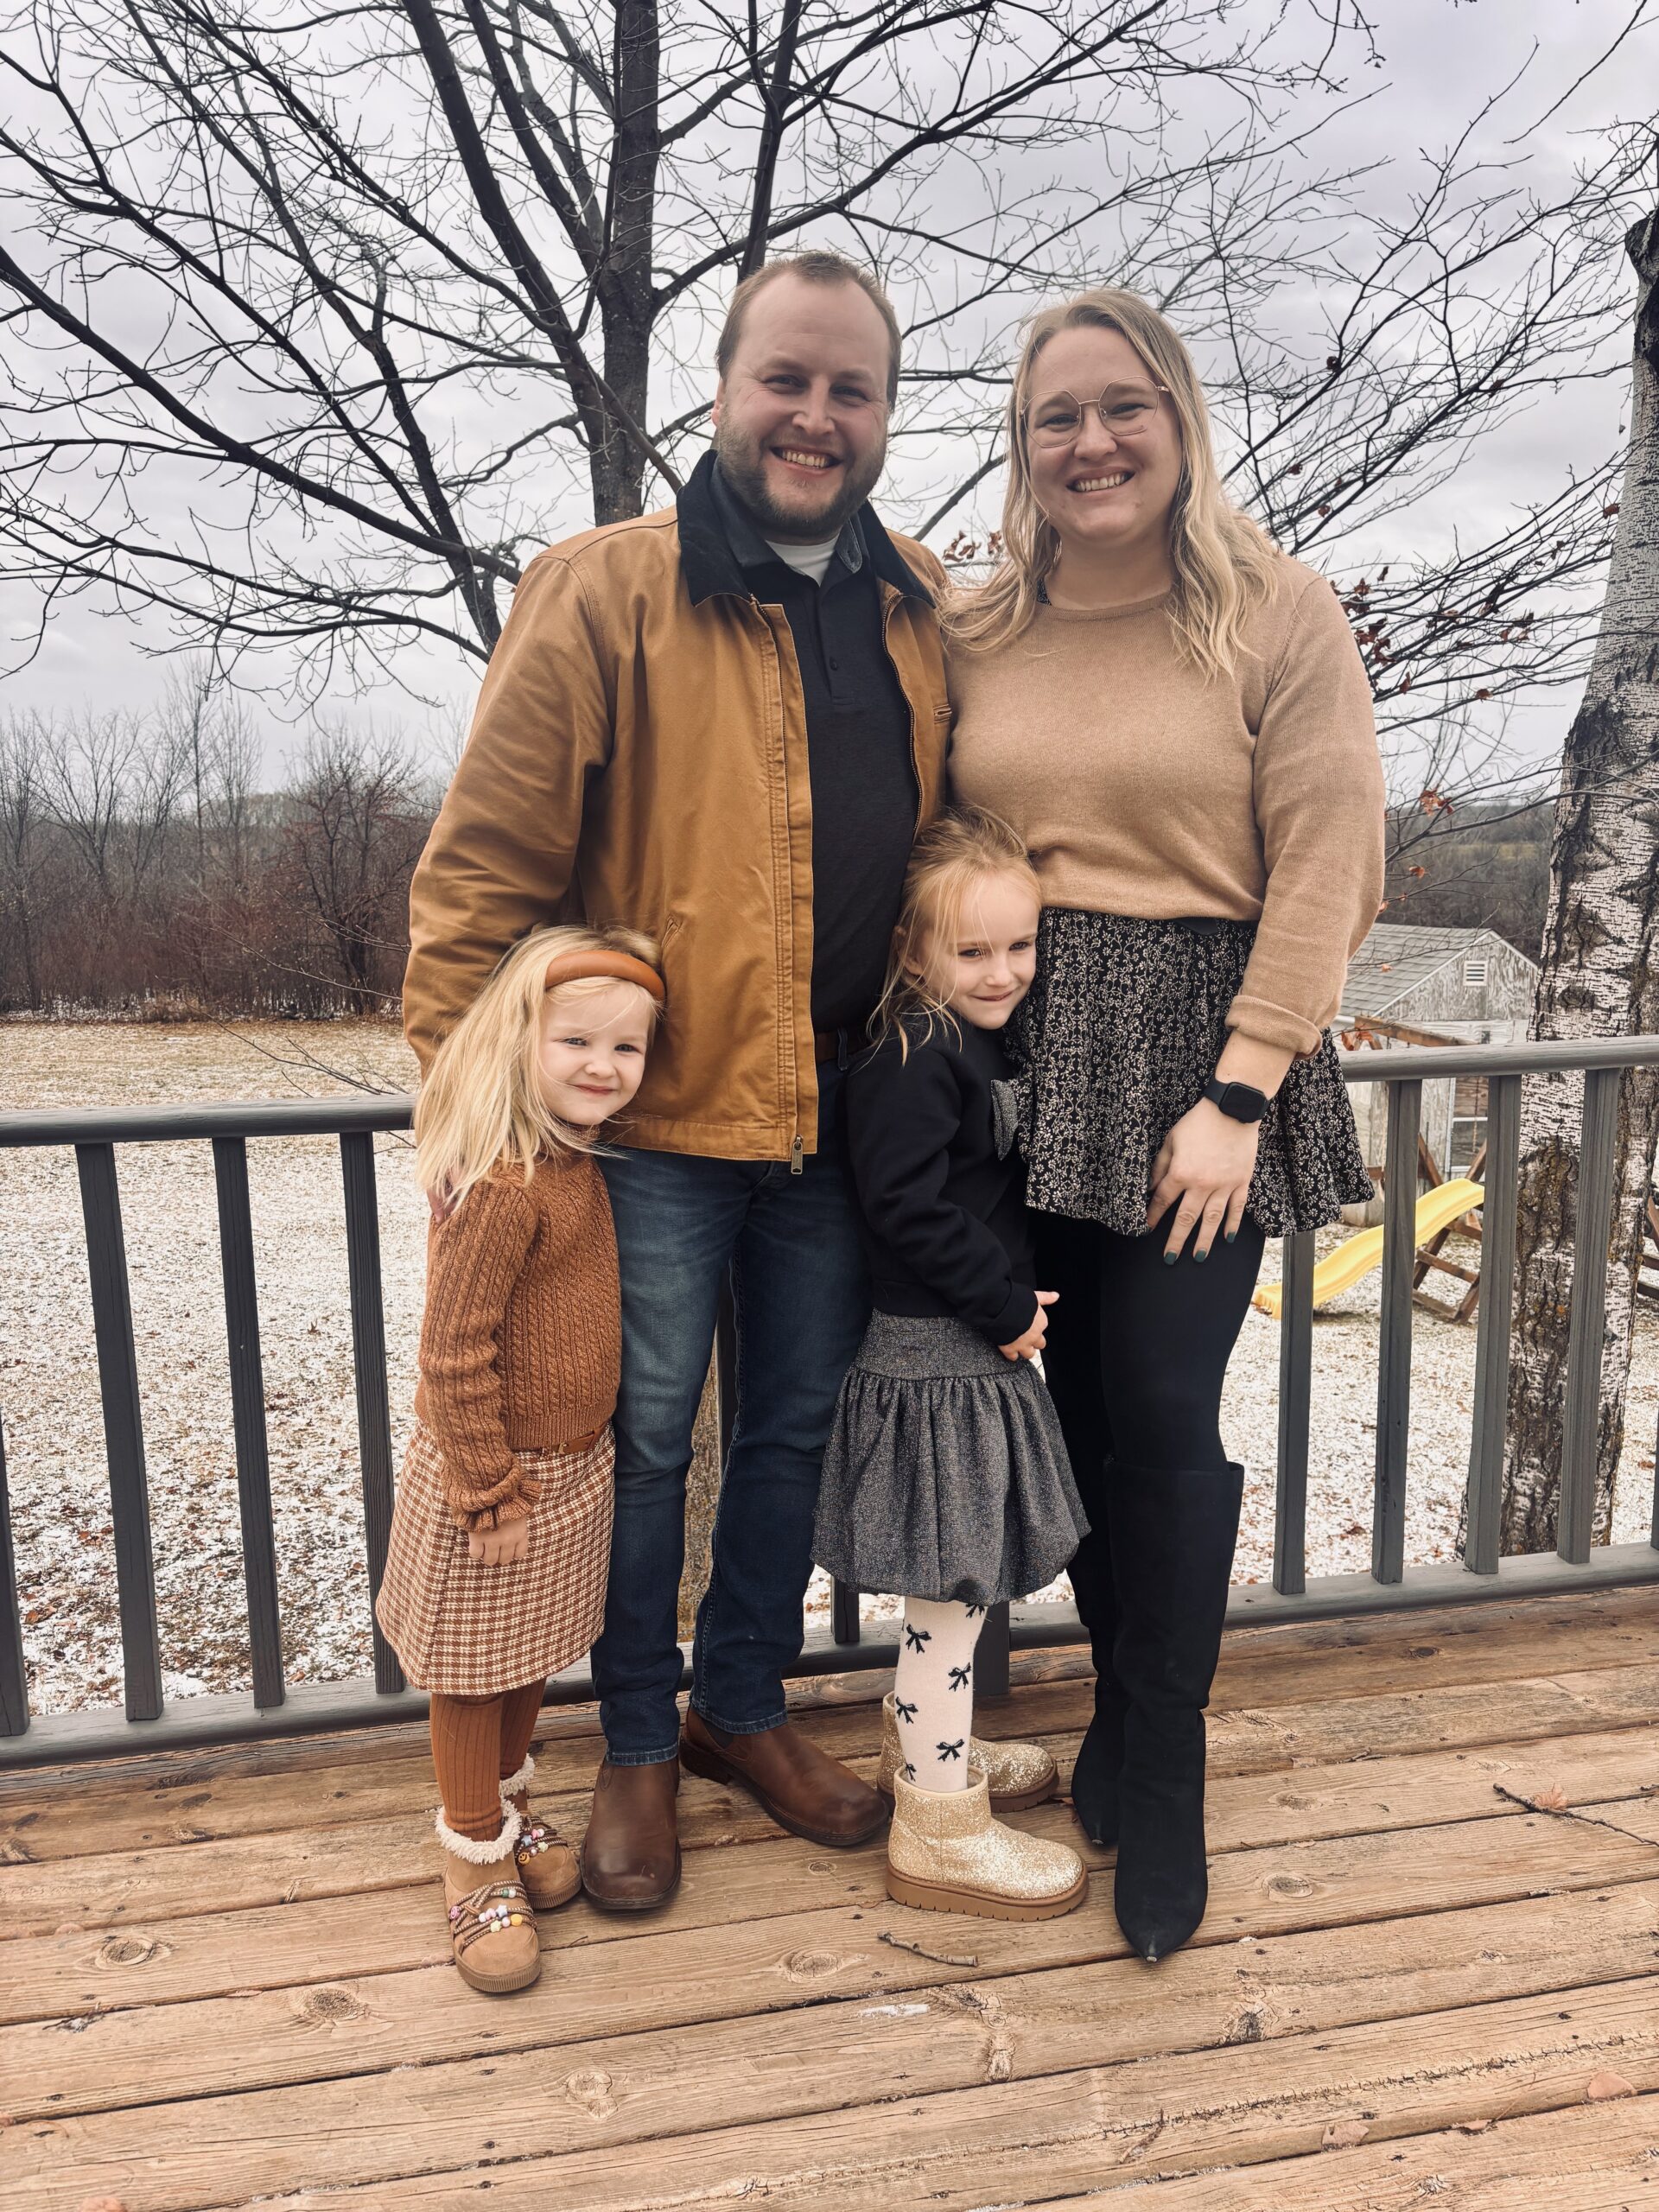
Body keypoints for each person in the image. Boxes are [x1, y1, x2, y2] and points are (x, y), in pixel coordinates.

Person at [402, 251, 950, 1908]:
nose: (816, 415)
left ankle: (737, 1711)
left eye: (851, 389)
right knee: (641, 1446)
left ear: (882, 417)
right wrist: (460, 1119)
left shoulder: (915, 597)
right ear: (722, 388)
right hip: (640, 1136)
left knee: (784, 1434)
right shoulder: (604, 588)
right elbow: (480, 877)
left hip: (841, 1114)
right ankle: (636, 1739)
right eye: (787, 378)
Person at [947, 288, 1385, 1963]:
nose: (1091, 441)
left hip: (1203, 1058)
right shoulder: (981, 622)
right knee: (1061, 1403)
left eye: (1122, 406)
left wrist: (1241, 1089)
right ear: (1024, 441)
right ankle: (1122, 1716)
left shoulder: (1276, 610)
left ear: (1179, 417)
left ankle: (1170, 1756)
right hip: (1023, 1048)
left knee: (1156, 1406)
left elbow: (1330, 855)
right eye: (1058, 414)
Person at [812, 806, 1089, 1921]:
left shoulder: (971, 1043)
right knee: (952, 1595)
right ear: (914, 951)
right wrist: (1005, 1304)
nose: (1002, 970)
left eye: (1019, 946)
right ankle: (937, 1825)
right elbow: (906, 1207)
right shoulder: (914, 1054)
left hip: (967, 1355)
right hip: (939, 1359)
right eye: (972, 951)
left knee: (955, 1596)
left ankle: (933, 1747)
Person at [377, 925, 664, 1994]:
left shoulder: (573, 1157)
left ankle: (503, 1801)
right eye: (576, 1040)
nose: (603, 1065)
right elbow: (454, 1351)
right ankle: (468, 1849)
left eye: (626, 1050)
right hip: (493, 1476)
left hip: (571, 1466)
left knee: (532, 1651)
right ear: (520, 1039)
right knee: (471, 1670)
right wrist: (485, 1484)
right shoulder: (501, 1182)